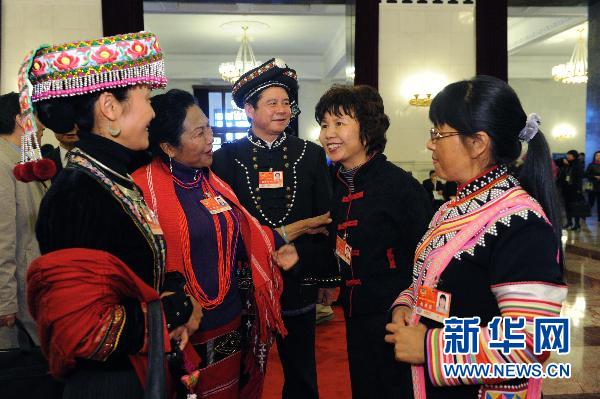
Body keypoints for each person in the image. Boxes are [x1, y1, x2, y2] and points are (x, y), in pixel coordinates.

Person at [24, 32, 202, 398]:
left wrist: (173, 290)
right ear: (109, 107)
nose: (153, 112)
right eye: (146, 100)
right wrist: (170, 312)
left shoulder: (112, 177)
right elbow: (87, 330)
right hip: (110, 383)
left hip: (137, 371)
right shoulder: (77, 194)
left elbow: (132, 267)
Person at [132, 89, 327, 398]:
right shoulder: (143, 190)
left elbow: (246, 235)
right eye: (199, 132)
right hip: (188, 324)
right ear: (169, 146)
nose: (211, 137)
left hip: (232, 318)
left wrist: (287, 239)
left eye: (209, 127)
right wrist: (299, 227)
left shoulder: (209, 180)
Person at [385, 75, 567, 399]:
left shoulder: (521, 223)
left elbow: (532, 342)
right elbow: (431, 280)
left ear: (478, 143)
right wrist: (407, 305)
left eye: (438, 134)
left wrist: (428, 348)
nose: (430, 143)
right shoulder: (454, 207)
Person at [212, 58, 338, 399]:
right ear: (249, 110)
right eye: (272, 102)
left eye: (286, 102)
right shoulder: (226, 158)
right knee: (243, 368)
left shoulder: (310, 154)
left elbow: (326, 219)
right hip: (245, 283)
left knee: (301, 368)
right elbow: (222, 223)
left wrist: (327, 279)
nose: (283, 109)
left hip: (298, 276)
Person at [316, 84, 431, 398]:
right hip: (354, 313)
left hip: (396, 315)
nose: (328, 134)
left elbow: (428, 255)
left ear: (366, 129)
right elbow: (331, 244)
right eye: (324, 125)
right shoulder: (333, 185)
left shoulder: (400, 186)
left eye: (339, 123)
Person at [0, 92, 46, 349]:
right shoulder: (2, 163)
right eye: (36, 117)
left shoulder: (24, 160)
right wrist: (5, 303)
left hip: (32, 288)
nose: (41, 126)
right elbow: (2, 238)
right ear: (21, 120)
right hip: (18, 297)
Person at [560, 149, 586, 230]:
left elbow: (579, 178)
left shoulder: (578, 165)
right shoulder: (567, 164)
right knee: (567, 207)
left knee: (575, 207)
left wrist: (579, 189)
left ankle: (577, 224)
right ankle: (569, 222)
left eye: (569, 155)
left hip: (575, 190)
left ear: (574, 156)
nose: (567, 156)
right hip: (566, 189)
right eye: (567, 155)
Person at [585, 150, 600, 222]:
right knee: (590, 202)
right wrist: (595, 176)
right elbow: (586, 175)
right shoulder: (591, 165)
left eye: (599, 156)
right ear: (594, 156)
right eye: (597, 155)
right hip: (593, 187)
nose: (598, 157)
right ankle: (585, 215)